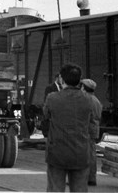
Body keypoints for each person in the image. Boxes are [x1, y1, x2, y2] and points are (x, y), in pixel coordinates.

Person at [42, 63, 94, 192]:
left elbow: (45, 115)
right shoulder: (89, 99)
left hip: (57, 153)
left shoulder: (52, 98)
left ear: (61, 79)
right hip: (81, 153)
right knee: (80, 190)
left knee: (55, 189)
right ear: (79, 80)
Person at [80, 79, 102, 187]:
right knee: (92, 154)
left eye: (82, 86)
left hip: (85, 129)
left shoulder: (85, 100)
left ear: (84, 88)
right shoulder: (96, 100)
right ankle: (92, 178)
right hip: (94, 129)